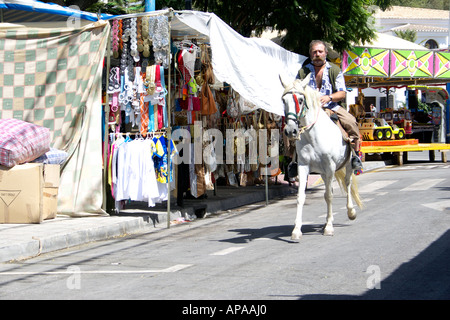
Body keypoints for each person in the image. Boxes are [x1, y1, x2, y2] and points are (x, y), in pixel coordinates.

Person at [298, 40, 363, 171]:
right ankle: (293, 161)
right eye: (314, 52)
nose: (317, 54)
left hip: (332, 107)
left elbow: (342, 93)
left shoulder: (334, 70)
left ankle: (355, 157)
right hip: (310, 109)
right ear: (310, 54)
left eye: (320, 51)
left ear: (325, 53)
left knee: (351, 122)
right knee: (290, 129)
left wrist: (329, 97)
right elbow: (297, 89)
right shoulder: (303, 71)